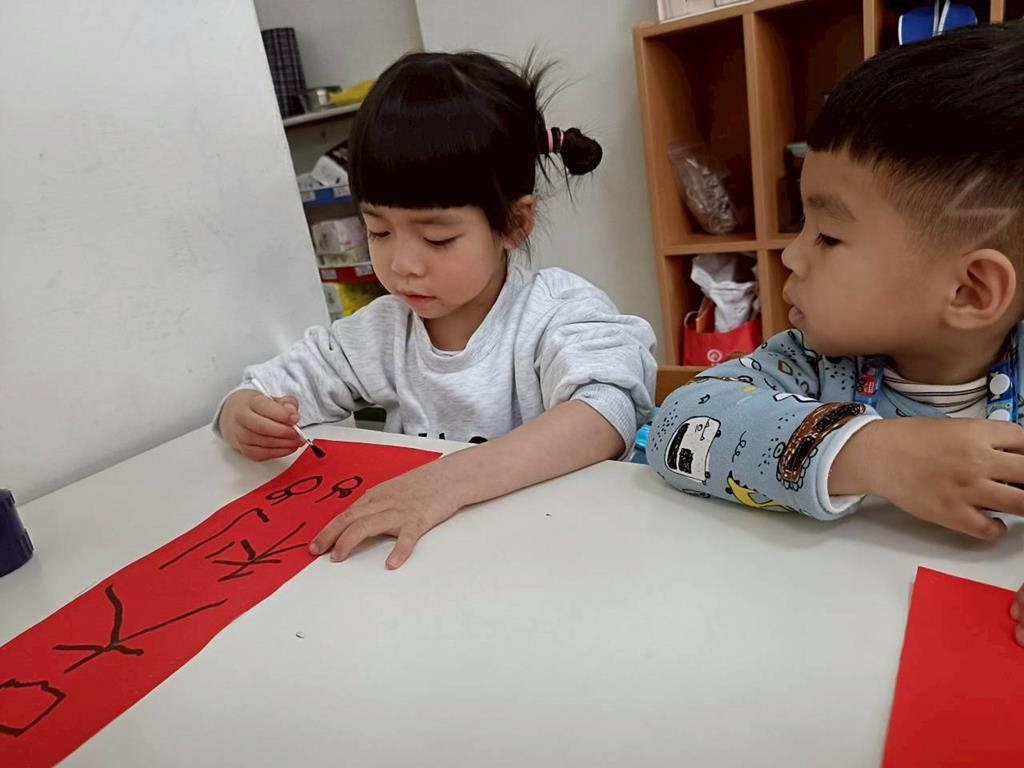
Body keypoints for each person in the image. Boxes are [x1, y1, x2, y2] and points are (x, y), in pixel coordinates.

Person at [216, 51, 657, 568]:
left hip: (549, 557)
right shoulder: (383, 331)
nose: (402, 264)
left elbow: (606, 413)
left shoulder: (556, 312)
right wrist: (243, 412)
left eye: (437, 238)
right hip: (430, 568)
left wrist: (446, 481)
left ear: (515, 224)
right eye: (378, 230)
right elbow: (271, 386)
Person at [647, 24, 1024, 541]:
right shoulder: (811, 365)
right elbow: (679, 424)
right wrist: (875, 454)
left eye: (827, 236)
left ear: (969, 291)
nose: (790, 255)